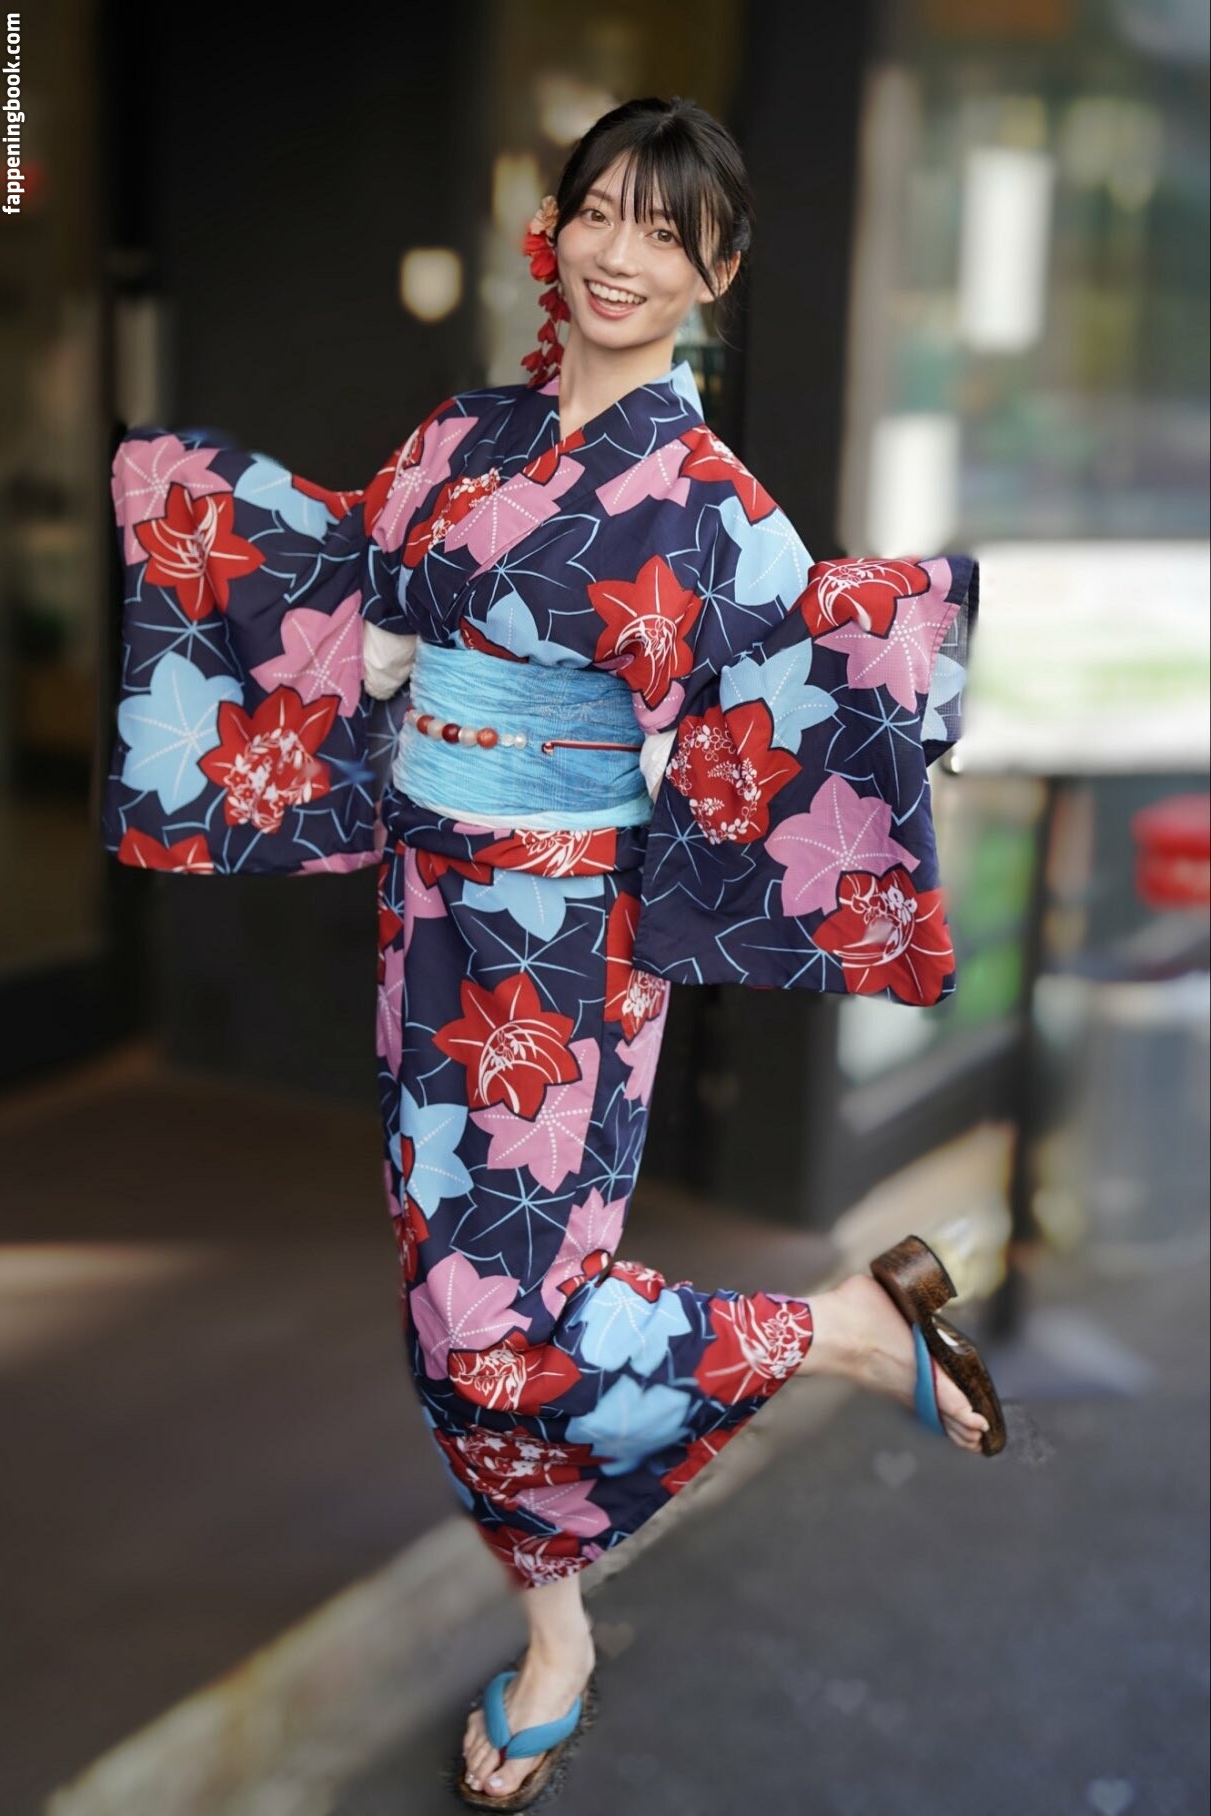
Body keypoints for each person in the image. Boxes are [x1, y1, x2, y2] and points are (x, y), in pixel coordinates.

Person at [103, 94, 1000, 1815]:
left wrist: (879, 662)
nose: (619, 254)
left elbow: (792, 694)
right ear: (553, 223)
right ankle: (557, 1628)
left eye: (667, 232)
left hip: (564, 946)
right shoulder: (466, 430)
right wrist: (215, 526)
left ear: (717, 271)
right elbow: (356, 588)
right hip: (427, 910)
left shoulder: (714, 503)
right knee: (448, 1308)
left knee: (499, 1327)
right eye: (599, 212)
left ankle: (836, 1332)